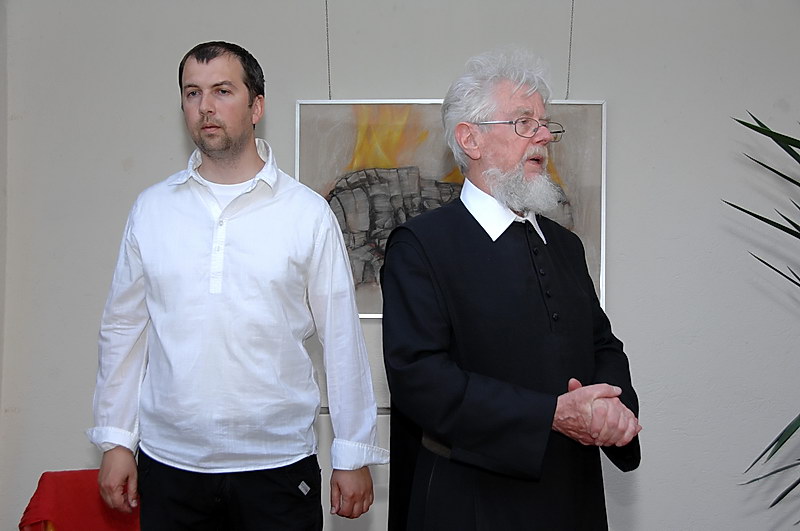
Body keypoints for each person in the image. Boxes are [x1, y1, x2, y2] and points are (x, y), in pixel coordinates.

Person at [87, 41, 388, 530]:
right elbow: (124, 330)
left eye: (222, 91)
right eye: (192, 93)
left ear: (256, 106)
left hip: (278, 465)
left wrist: (353, 451)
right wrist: (117, 440)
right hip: (170, 465)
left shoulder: (307, 214)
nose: (205, 106)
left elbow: (341, 337)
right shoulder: (152, 210)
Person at [381, 49, 642, 531]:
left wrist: (613, 408)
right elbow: (420, 378)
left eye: (545, 124)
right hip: (473, 501)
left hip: (574, 496)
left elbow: (602, 346)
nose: (544, 136)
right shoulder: (421, 245)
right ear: (470, 139)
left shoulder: (565, 245)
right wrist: (548, 415)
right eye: (524, 123)